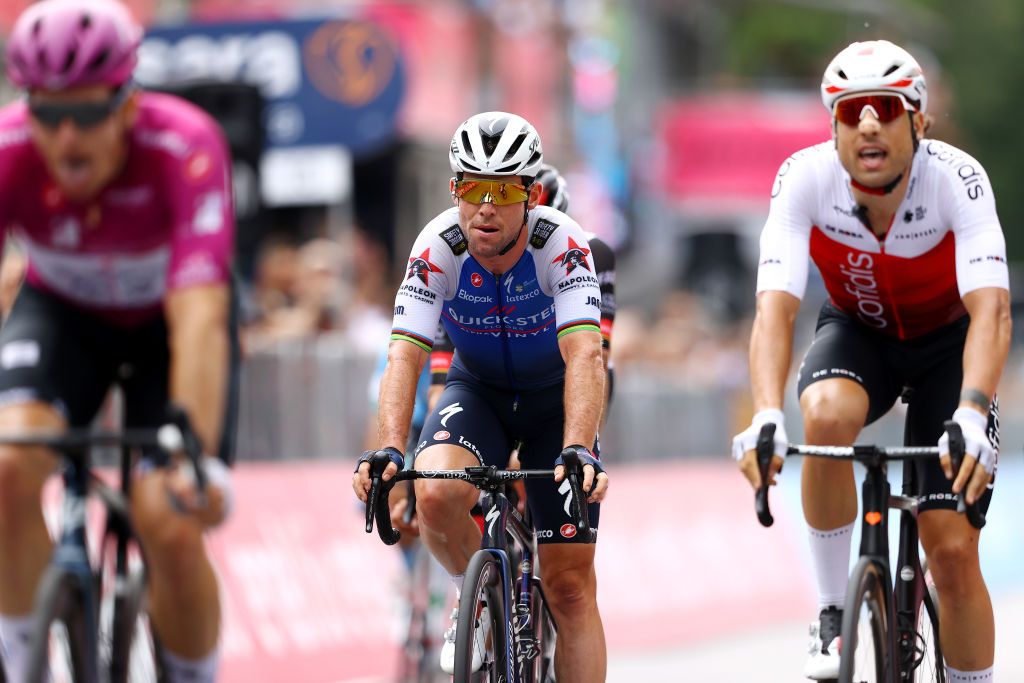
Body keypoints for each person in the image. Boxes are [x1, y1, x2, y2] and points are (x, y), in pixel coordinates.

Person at [732, 40, 1008, 682]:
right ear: (832, 125)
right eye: (851, 110)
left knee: (952, 552)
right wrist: (767, 412)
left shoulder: (957, 180)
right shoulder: (804, 178)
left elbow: (991, 310)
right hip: (861, 335)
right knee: (823, 416)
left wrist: (972, 410)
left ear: (920, 121)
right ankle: (831, 613)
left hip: (948, 348)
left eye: (886, 107)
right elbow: (774, 310)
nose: (868, 124)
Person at [0, 2, 238, 682]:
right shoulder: (8, 151)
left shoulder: (185, 145)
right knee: (8, 469)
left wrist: (194, 453)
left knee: (166, 514)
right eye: (47, 114)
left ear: (128, 104)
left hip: (169, 325)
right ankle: (23, 666)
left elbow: (199, 316)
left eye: (88, 114)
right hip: (64, 316)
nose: (67, 138)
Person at [353, 111, 609, 682]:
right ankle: (482, 596)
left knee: (569, 589)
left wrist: (579, 446)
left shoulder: (561, 244)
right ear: (455, 191)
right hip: (480, 391)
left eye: (501, 190)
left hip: (551, 402)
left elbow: (586, 355)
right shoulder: (437, 245)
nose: (484, 207)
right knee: (436, 491)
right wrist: (392, 450)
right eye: (472, 188)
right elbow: (405, 355)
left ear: (532, 194)